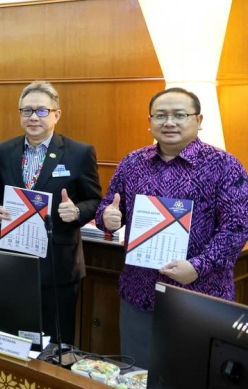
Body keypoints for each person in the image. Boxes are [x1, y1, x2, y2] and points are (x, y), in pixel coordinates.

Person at [96, 87, 248, 367]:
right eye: (161, 115)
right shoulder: (132, 163)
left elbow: (236, 228)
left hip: (200, 296)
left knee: (190, 386)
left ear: (199, 120)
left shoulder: (225, 166)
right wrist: (108, 217)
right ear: (150, 120)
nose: (169, 122)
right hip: (139, 291)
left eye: (180, 115)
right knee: (136, 379)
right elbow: (109, 206)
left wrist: (198, 266)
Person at [0, 81, 102, 344]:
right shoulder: (3, 150)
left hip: (57, 264)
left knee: (55, 343)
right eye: (26, 111)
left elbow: (96, 200)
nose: (33, 117)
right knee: (13, 337)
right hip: (13, 261)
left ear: (56, 114)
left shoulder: (79, 153)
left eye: (41, 111)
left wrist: (76, 210)